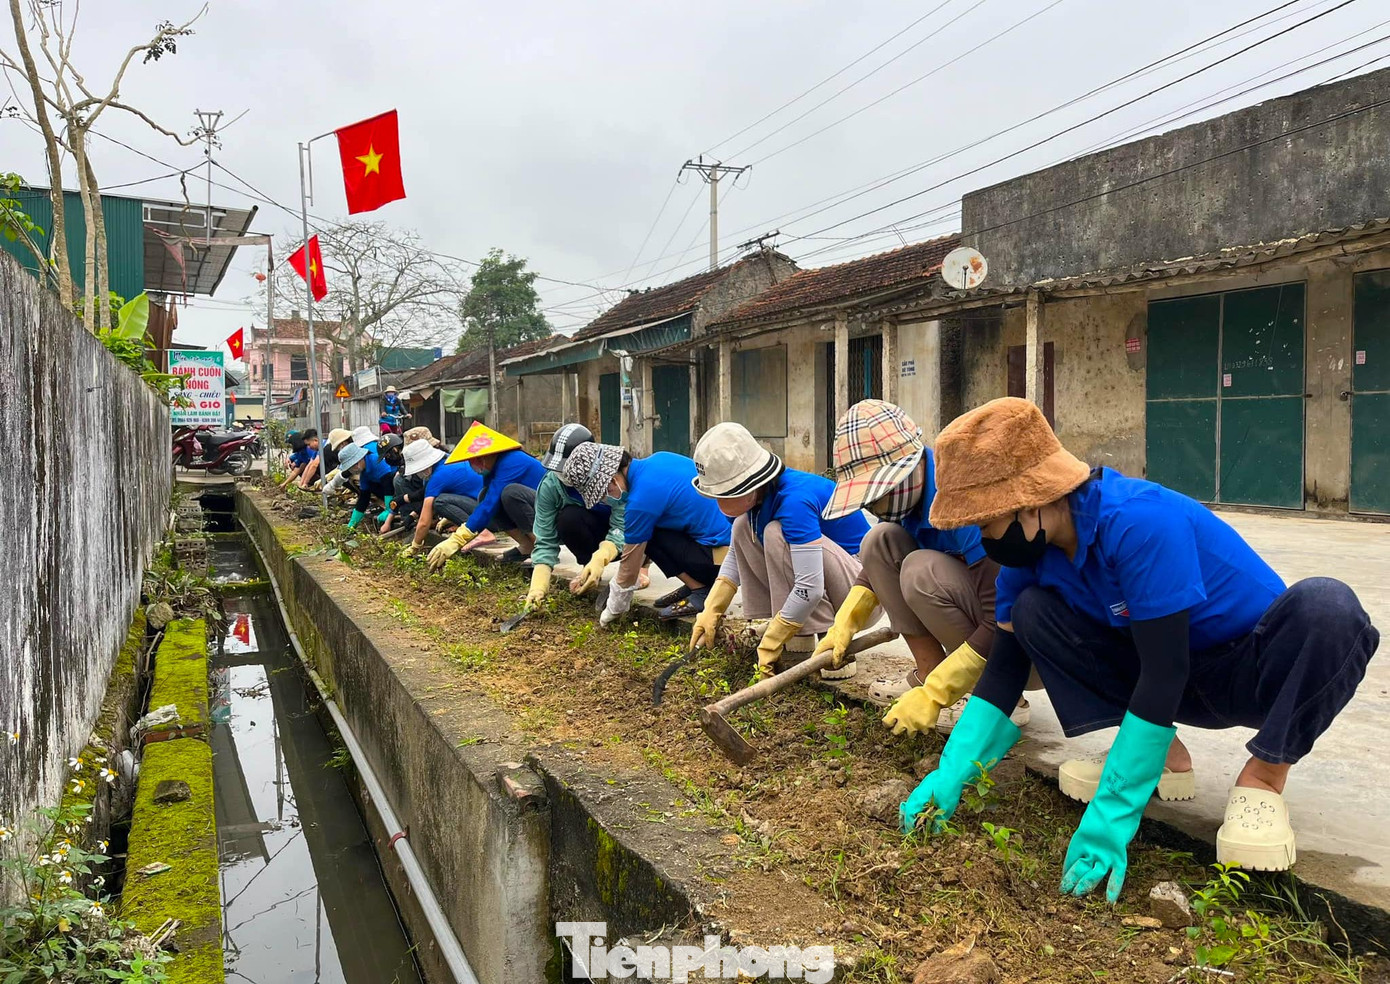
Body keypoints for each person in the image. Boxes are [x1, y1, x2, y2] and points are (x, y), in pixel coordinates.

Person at [901, 397, 1379, 898]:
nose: (983, 538)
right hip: (1164, 678)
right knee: (1032, 612)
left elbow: (1166, 670)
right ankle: (1163, 757)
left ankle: (1264, 777)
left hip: (1249, 673)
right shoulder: (1031, 560)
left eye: (986, 523)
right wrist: (951, 772)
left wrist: (1113, 811)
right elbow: (1005, 669)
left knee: (1329, 607)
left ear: (1030, 501)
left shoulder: (1138, 522)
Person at [815, 400, 1027, 734]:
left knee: (920, 570)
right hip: (991, 622)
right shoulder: (911, 498)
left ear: (908, 470)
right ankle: (929, 671)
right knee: (878, 539)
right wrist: (846, 622)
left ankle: (996, 698)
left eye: (876, 494)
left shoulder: (963, 496)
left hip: (1023, 644)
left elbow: (1001, 616)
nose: (872, 506)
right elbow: (877, 564)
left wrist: (938, 693)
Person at [688, 421, 872, 679]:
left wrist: (774, 638)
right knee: (742, 527)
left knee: (776, 533)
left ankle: (830, 640)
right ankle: (798, 632)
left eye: (723, 494)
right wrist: (712, 607)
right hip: (834, 583)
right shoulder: (753, 502)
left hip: (861, 593)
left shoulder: (794, 501)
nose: (719, 501)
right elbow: (736, 554)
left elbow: (810, 585)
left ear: (747, 485)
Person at [561, 444, 731, 627]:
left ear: (613, 480)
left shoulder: (640, 501)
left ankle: (701, 590)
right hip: (726, 550)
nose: (606, 500)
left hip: (722, 562)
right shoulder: (659, 458)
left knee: (648, 535)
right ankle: (695, 584)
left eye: (605, 493)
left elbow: (629, 566)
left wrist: (614, 608)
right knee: (649, 530)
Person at [427, 422, 547, 568]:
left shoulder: (511, 460)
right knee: (484, 495)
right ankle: (527, 545)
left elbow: (491, 503)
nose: (474, 464)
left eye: (477, 459)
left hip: (548, 508)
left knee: (510, 493)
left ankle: (542, 548)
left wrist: (458, 539)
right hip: (534, 505)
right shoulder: (492, 469)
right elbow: (488, 500)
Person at [398, 437, 491, 556]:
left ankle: (482, 532)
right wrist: (450, 518)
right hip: (486, 507)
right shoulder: (448, 460)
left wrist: (415, 546)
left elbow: (424, 521)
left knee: (440, 502)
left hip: (487, 515)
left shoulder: (438, 476)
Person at [334, 440, 398, 530]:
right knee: (369, 487)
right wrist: (352, 525)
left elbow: (388, 486)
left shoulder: (376, 461)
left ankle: (394, 509)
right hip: (387, 490)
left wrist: (389, 510)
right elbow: (364, 498)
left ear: (358, 461)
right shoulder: (364, 473)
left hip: (397, 487)